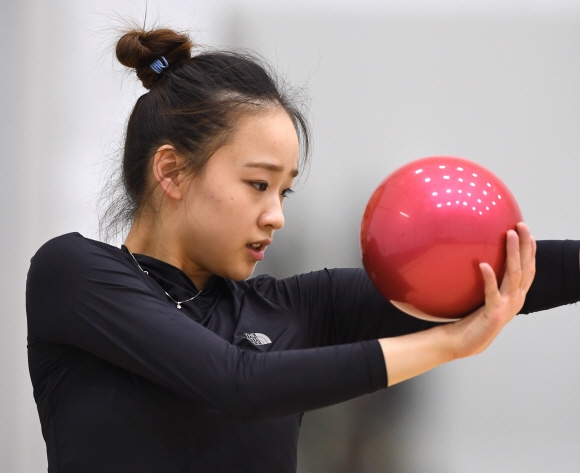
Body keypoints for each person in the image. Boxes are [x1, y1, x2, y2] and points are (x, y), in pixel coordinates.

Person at [25, 27, 580, 473]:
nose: (277, 215)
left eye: (284, 190)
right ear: (171, 171)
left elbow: (505, 269)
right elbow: (238, 384)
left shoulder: (291, 309)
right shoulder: (72, 275)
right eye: (258, 184)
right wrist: (451, 344)